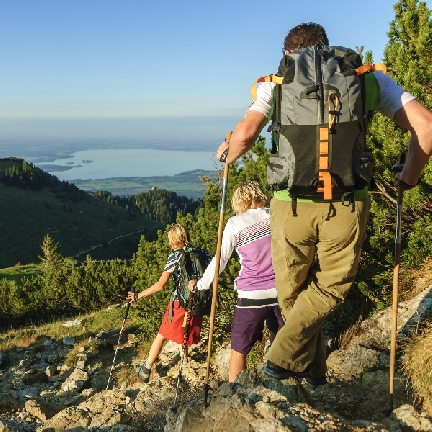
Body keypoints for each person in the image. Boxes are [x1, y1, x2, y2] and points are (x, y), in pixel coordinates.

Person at [216, 23, 432, 385]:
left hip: (291, 205)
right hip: (348, 204)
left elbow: (245, 134)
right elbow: (425, 128)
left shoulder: (277, 82)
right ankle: (313, 370)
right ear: (327, 48)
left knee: (292, 294)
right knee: (331, 287)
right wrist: (408, 178)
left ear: (288, 54)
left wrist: (227, 156)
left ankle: (286, 359)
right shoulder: (366, 80)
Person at [188, 181, 284, 382]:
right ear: (260, 195)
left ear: (239, 201)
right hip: (280, 291)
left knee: (239, 350)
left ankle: (235, 391)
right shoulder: (275, 214)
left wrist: (200, 285)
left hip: (251, 295)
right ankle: (278, 380)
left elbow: (220, 260)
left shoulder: (235, 224)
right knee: (280, 339)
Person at [127, 224, 206, 383]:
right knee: (183, 335)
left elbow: (160, 285)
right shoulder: (202, 253)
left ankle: (146, 368)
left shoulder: (175, 257)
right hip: (198, 301)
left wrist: (138, 295)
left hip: (179, 302)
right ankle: (185, 366)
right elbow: (220, 273)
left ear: (172, 240)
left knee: (162, 335)